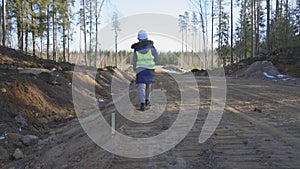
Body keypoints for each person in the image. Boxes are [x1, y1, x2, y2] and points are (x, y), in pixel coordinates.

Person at [131, 30, 158, 111]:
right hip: (149, 69)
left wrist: (134, 67)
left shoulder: (136, 48)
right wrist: (153, 62)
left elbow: (134, 60)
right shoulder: (151, 46)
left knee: (141, 87)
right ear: (146, 37)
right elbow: (156, 56)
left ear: (139, 38)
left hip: (140, 69)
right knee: (148, 85)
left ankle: (142, 104)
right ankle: (147, 100)